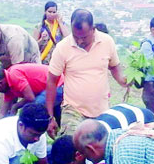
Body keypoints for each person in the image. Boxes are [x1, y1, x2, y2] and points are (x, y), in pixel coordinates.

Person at [45, 9, 128, 137]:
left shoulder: (107, 42)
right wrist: (50, 117)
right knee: (71, 146)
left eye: (83, 37)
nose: (79, 41)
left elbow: (114, 67)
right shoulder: (63, 48)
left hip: (102, 111)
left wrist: (123, 80)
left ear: (93, 29)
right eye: (75, 36)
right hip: (73, 110)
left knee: (99, 151)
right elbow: (51, 81)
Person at [0, 16, 40, 110]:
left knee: (30, 98)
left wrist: (16, 105)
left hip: (29, 60)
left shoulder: (13, 38)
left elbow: (17, 71)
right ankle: (5, 117)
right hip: (7, 62)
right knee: (4, 104)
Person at [0, 64, 64, 121]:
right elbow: (3, 111)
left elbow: (30, 98)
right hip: (47, 90)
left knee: (32, 111)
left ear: (0, 83)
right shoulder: (8, 86)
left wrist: (16, 106)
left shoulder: (14, 74)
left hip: (59, 85)